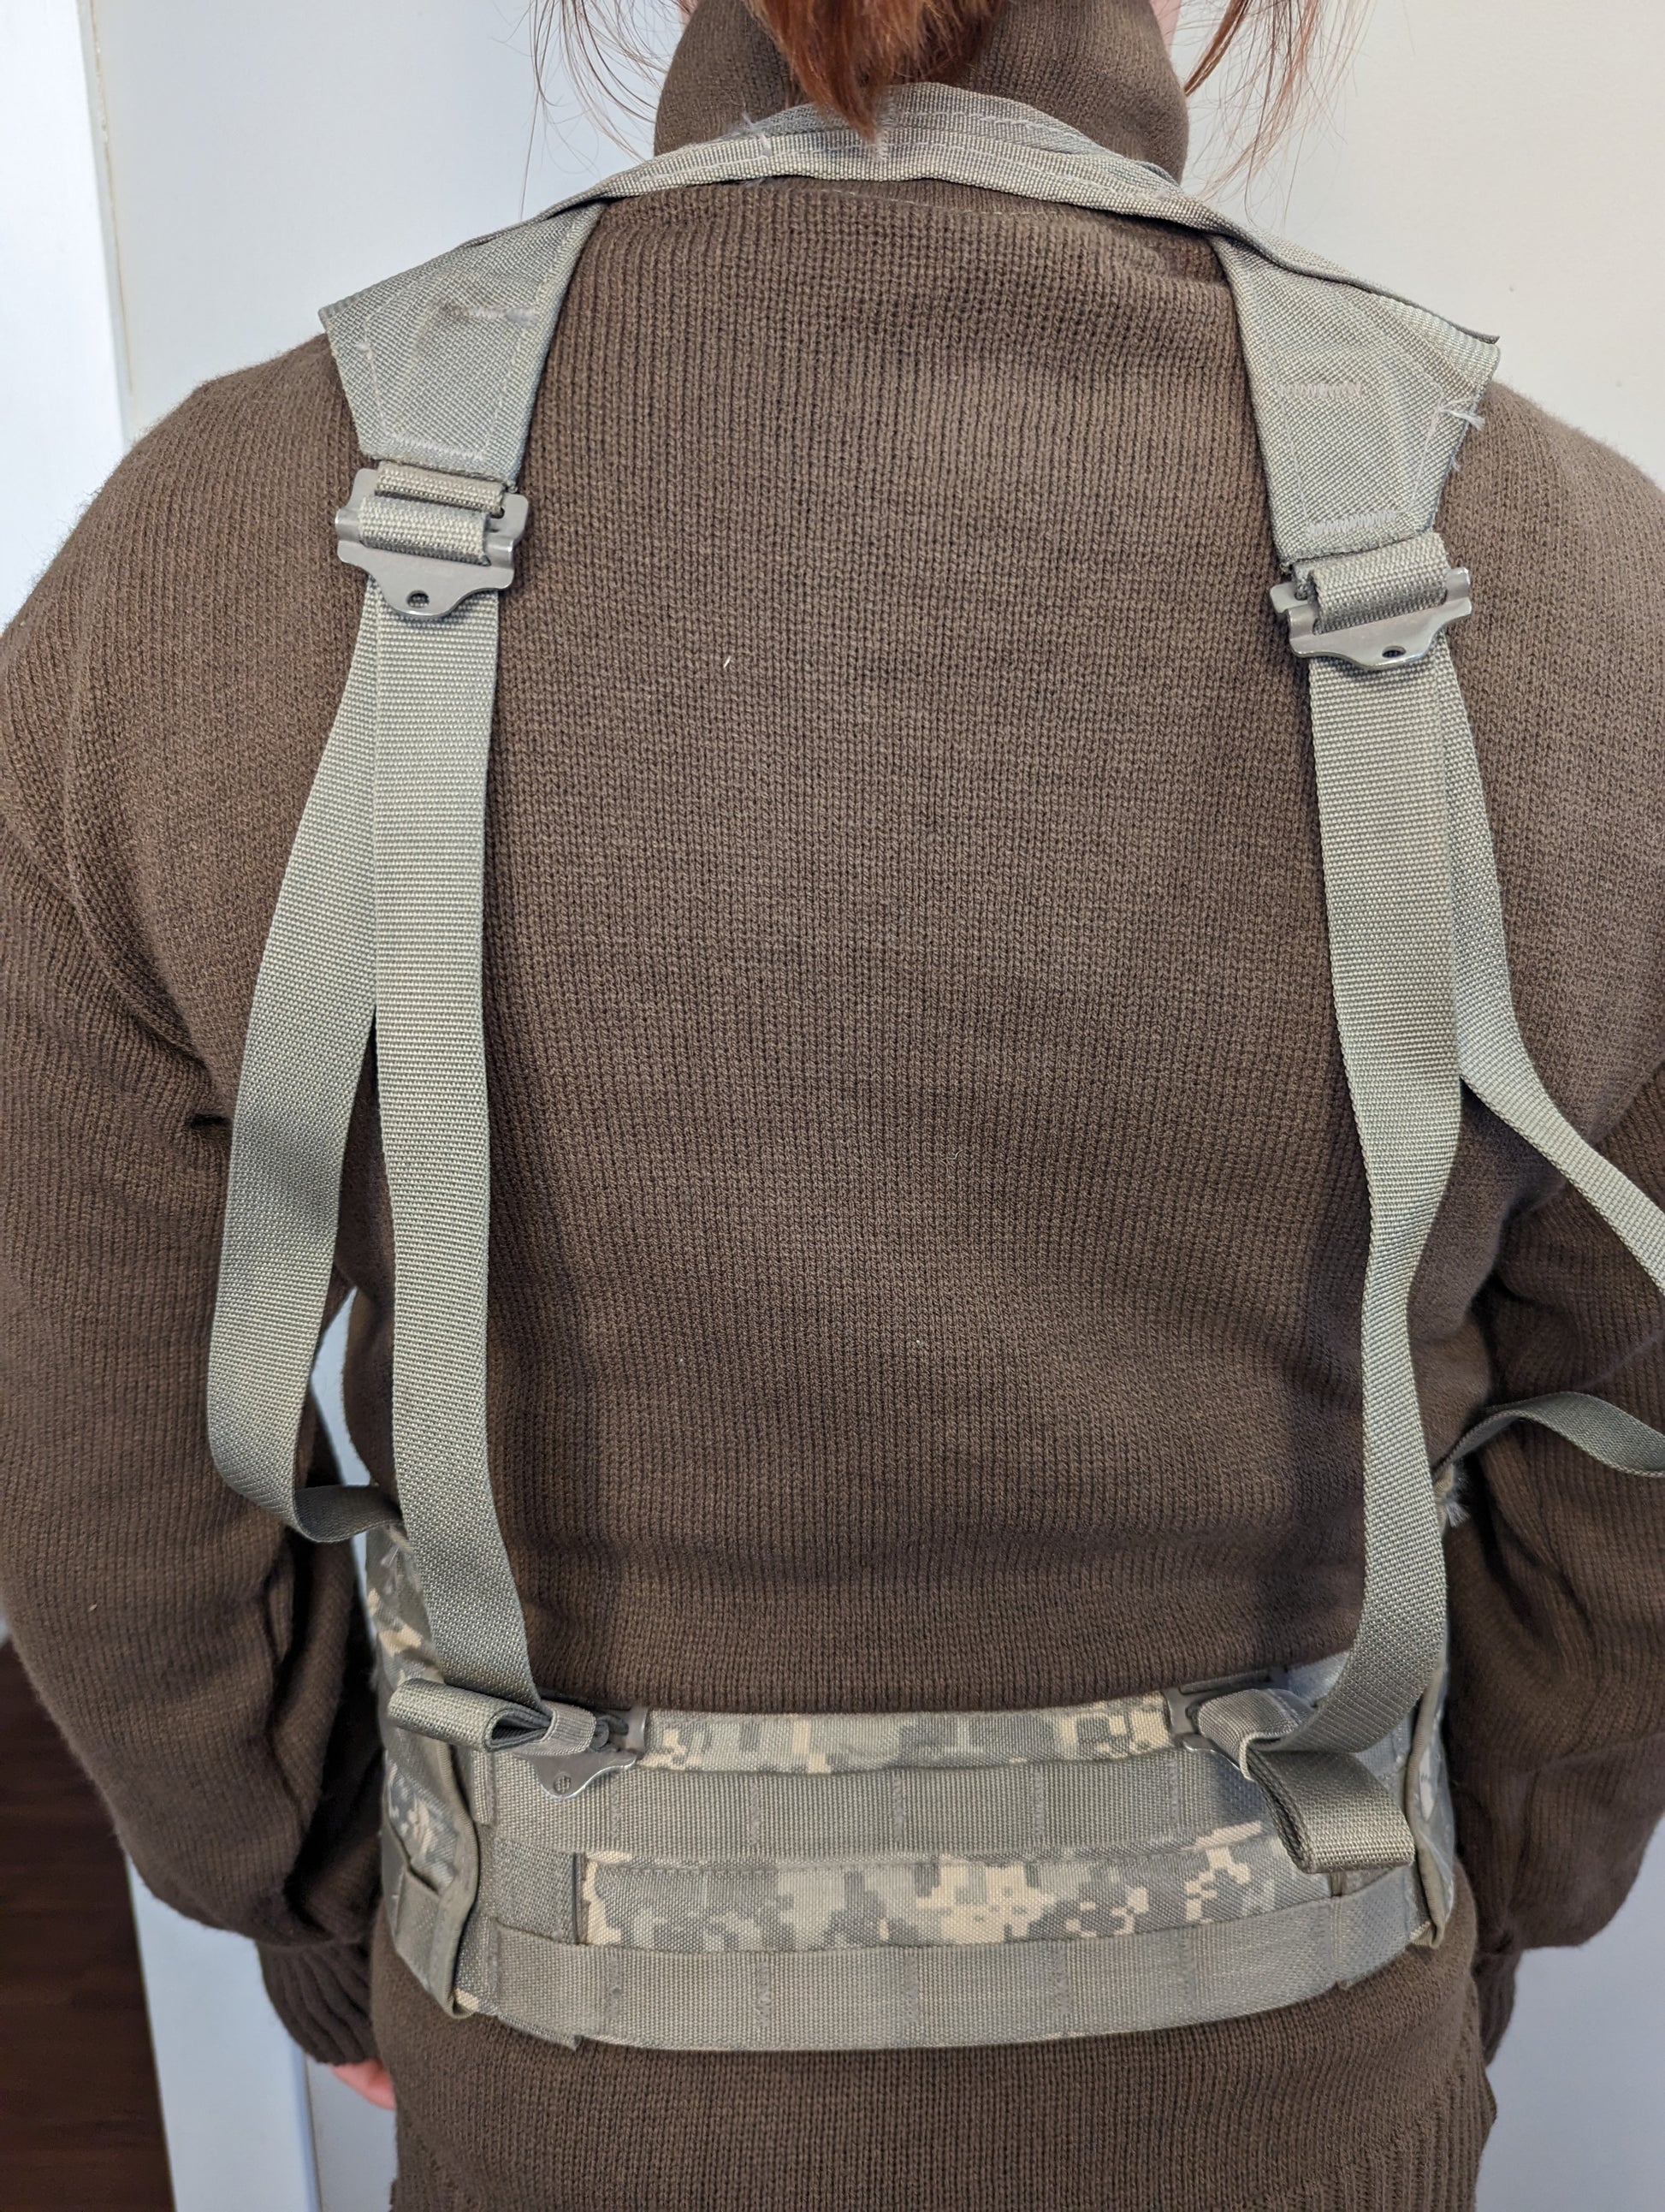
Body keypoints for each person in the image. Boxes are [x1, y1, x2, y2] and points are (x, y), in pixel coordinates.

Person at [3, 0, 1663, 2205]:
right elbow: (1631, 1455)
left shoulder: (207, 554)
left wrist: (347, 1925)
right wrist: (1482, 1892)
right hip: (1308, 2078)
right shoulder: (1571, 576)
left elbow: (108, 1513)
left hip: (565, 2090)